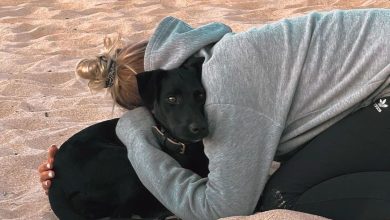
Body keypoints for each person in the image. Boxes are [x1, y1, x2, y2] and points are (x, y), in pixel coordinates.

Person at [38, 9, 390, 220]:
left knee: (281, 200)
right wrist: (69, 167)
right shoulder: (213, 56)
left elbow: (222, 208)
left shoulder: (225, 90)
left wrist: (134, 138)